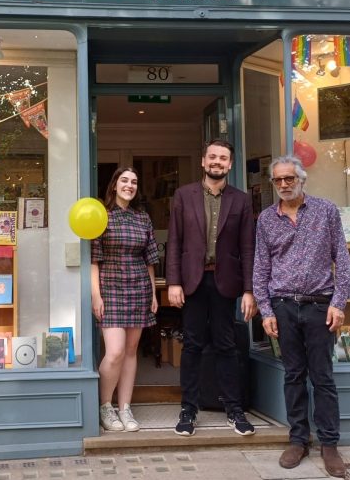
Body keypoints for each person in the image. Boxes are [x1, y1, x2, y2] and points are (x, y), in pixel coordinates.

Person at [252, 155, 350, 479]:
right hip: (283, 306)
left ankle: (329, 444)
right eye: (277, 180)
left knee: (323, 377)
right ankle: (298, 439)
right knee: (293, 375)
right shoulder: (266, 219)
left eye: (289, 179)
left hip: (320, 306)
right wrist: (266, 311)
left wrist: (339, 303)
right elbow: (261, 269)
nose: (283, 185)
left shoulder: (326, 211)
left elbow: (343, 261)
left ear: (301, 180)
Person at [166, 138, 257, 437]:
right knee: (191, 345)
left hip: (226, 282)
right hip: (192, 281)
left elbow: (247, 247)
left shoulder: (241, 200)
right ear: (203, 162)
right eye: (213, 157)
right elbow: (175, 242)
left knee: (226, 346)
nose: (217, 162)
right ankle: (188, 409)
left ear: (230, 164)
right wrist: (174, 282)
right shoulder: (183, 195)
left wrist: (249, 289)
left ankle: (234, 409)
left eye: (223, 158)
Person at [91, 167, 159, 432]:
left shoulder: (142, 218)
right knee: (115, 351)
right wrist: (96, 295)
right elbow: (93, 260)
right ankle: (105, 406)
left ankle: (125, 408)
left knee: (131, 352)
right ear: (114, 185)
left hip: (139, 286)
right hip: (110, 288)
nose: (129, 185)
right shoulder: (101, 216)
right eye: (124, 181)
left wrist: (153, 292)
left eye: (134, 181)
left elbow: (150, 260)